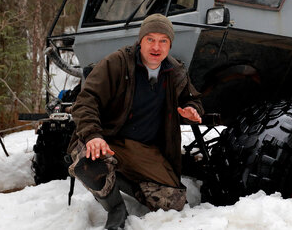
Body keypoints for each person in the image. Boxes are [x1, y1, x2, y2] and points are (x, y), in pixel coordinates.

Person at [67, 14, 203, 230]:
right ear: (141, 40)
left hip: (143, 149)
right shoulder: (116, 63)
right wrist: (93, 135)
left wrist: (192, 110)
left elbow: (192, 98)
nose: (156, 47)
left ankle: (117, 178)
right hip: (108, 140)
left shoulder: (174, 71)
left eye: (163, 41)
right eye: (150, 39)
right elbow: (86, 100)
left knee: (173, 202)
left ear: (170, 45)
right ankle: (115, 207)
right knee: (91, 164)